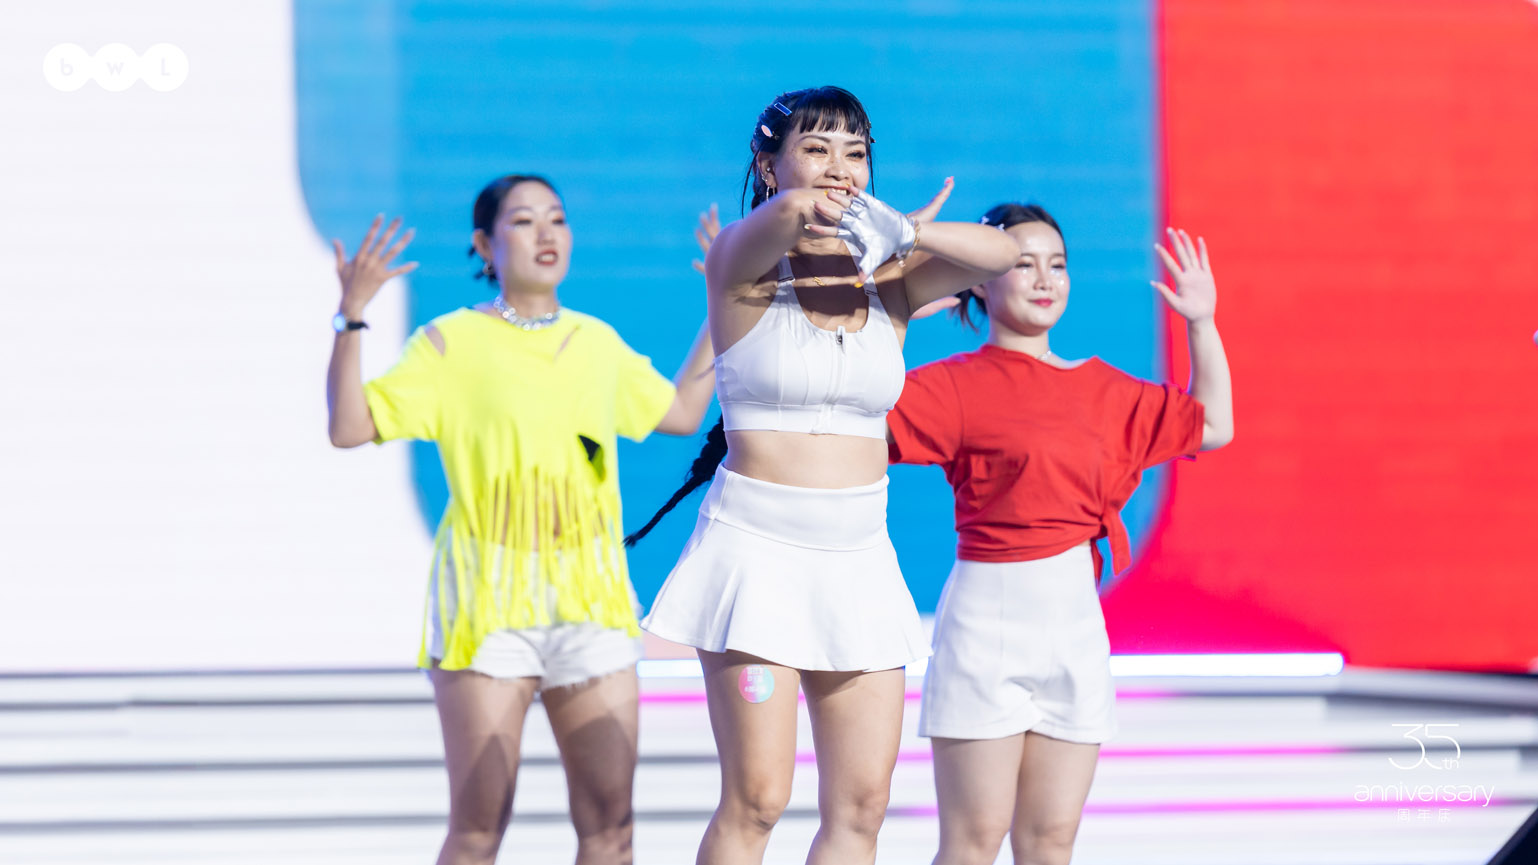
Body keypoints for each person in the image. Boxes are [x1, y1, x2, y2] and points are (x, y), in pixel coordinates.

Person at [628, 87, 1019, 865]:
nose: (840, 168)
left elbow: (1003, 254)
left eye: (856, 153)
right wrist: (831, 209)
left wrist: (908, 232)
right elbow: (784, 218)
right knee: (758, 797)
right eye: (816, 149)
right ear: (768, 166)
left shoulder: (889, 279)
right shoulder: (741, 264)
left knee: (862, 806)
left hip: (859, 559)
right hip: (757, 557)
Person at [324, 175, 718, 865]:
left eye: (557, 219)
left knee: (610, 828)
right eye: (524, 220)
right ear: (484, 245)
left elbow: (683, 412)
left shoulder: (595, 342)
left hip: (591, 606)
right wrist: (351, 317)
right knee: (479, 829)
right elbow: (349, 426)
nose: (546, 234)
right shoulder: (448, 342)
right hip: (487, 610)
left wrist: (722, 302)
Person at [887, 203, 1234, 865]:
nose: (1045, 279)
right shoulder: (955, 386)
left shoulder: (1107, 390)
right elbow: (860, 420)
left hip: (1075, 628)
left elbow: (1213, 425)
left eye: (1058, 264)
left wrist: (1202, 322)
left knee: (1051, 843)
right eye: (1023, 264)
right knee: (972, 842)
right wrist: (892, 315)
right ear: (980, 280)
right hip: (985, 629)